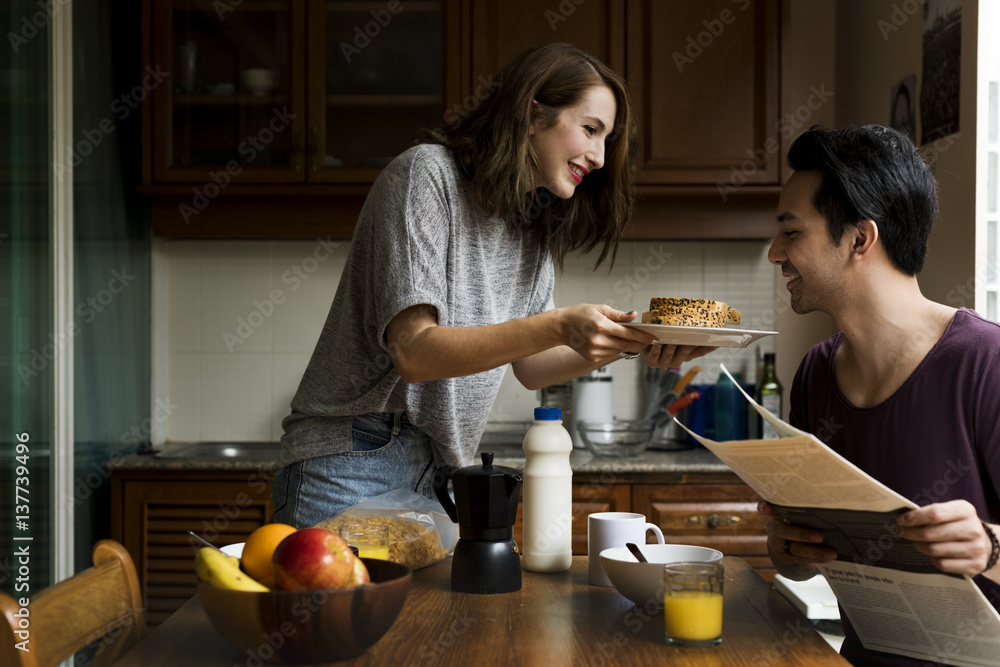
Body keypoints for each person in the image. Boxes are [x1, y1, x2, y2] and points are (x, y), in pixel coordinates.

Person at [272, 42, 711, 528]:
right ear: (531, 114)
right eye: (590, 130)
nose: (600, 157)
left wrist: (635, 340)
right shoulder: (426, 175)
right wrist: (562, 324)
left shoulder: (530, 224)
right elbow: (415, 353)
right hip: (353, 457)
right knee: (339, 608)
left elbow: (533, 365)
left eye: (606, 139)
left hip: (441, 471)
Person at [760, 125, 1000, 665]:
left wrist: (990, 546)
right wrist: (790, 549)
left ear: (860, 239)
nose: (776, 253)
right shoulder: (816, 374)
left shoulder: (987, 362)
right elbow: (809, 558)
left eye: (792, 233)